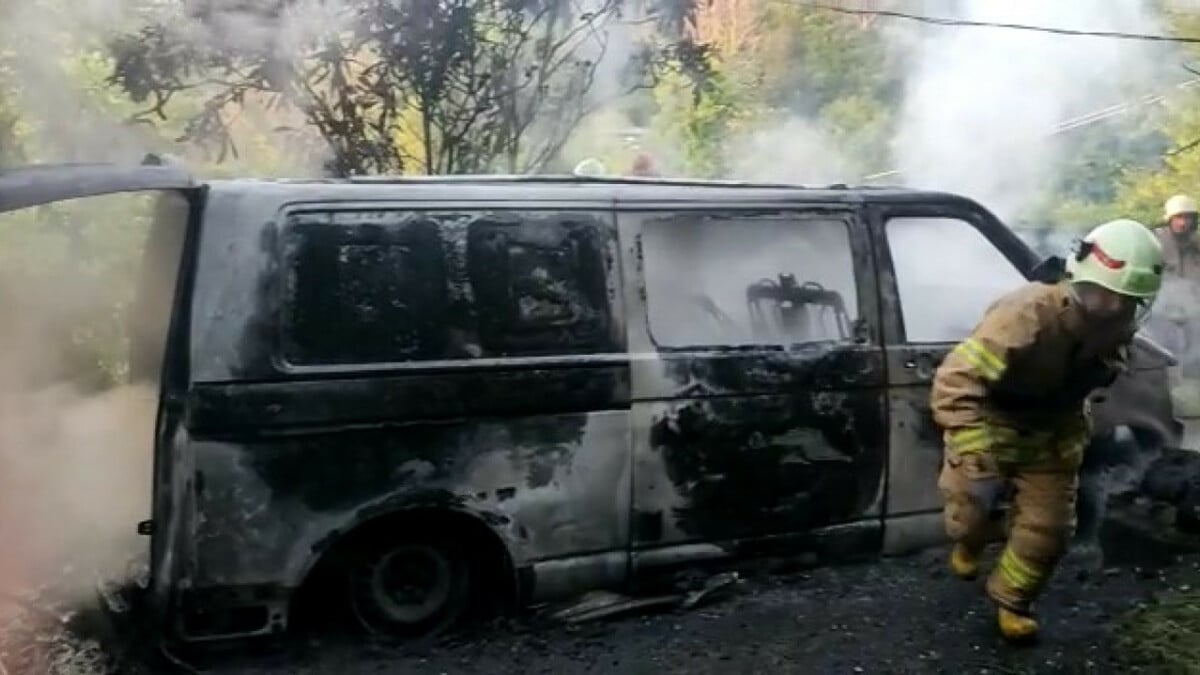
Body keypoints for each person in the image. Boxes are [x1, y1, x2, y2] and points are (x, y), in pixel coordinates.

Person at [930, 219, 1164, 643]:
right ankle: (970, 540)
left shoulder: (1118, 328)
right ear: (1079, 278)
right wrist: (973, 447)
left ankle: (1012, 602)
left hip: (1055, 433)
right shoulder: (1027, 313)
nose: (1112, 307)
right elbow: (956, 382)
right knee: (970, 511)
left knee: (1050, 530)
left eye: (1125, 300)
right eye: (1102, 295)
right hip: (992, 423)